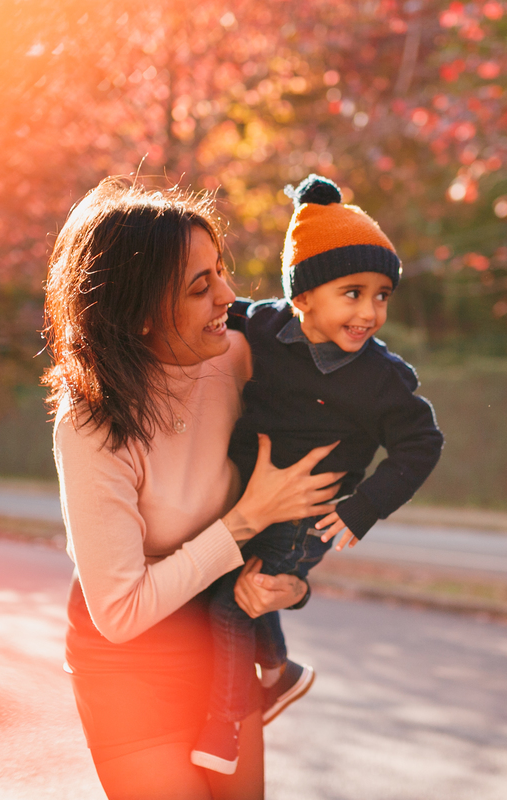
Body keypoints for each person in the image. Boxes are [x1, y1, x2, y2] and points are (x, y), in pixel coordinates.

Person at [44, 177, 346, 800]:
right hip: (128, 669)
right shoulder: (90, 422)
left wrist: (288, 579)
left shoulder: (241, 359)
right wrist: (240, 525)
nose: (229, 297)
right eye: (200, 286)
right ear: (141, 313)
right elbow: (120, 613)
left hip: (224, 642)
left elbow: (315, 461)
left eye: (221, 272)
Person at [190, 175, 444, 774]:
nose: (370, 312)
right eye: (352, 293)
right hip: (253, 496)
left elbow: (422, 441)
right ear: (302, 297)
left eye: (382, 295)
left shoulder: (380, 377)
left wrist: (363, 508)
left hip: (305, 516)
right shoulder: (261, 327)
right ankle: (278, 673)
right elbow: (220, 314)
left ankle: (224, 723)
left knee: (232, 603)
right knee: (229, 583)